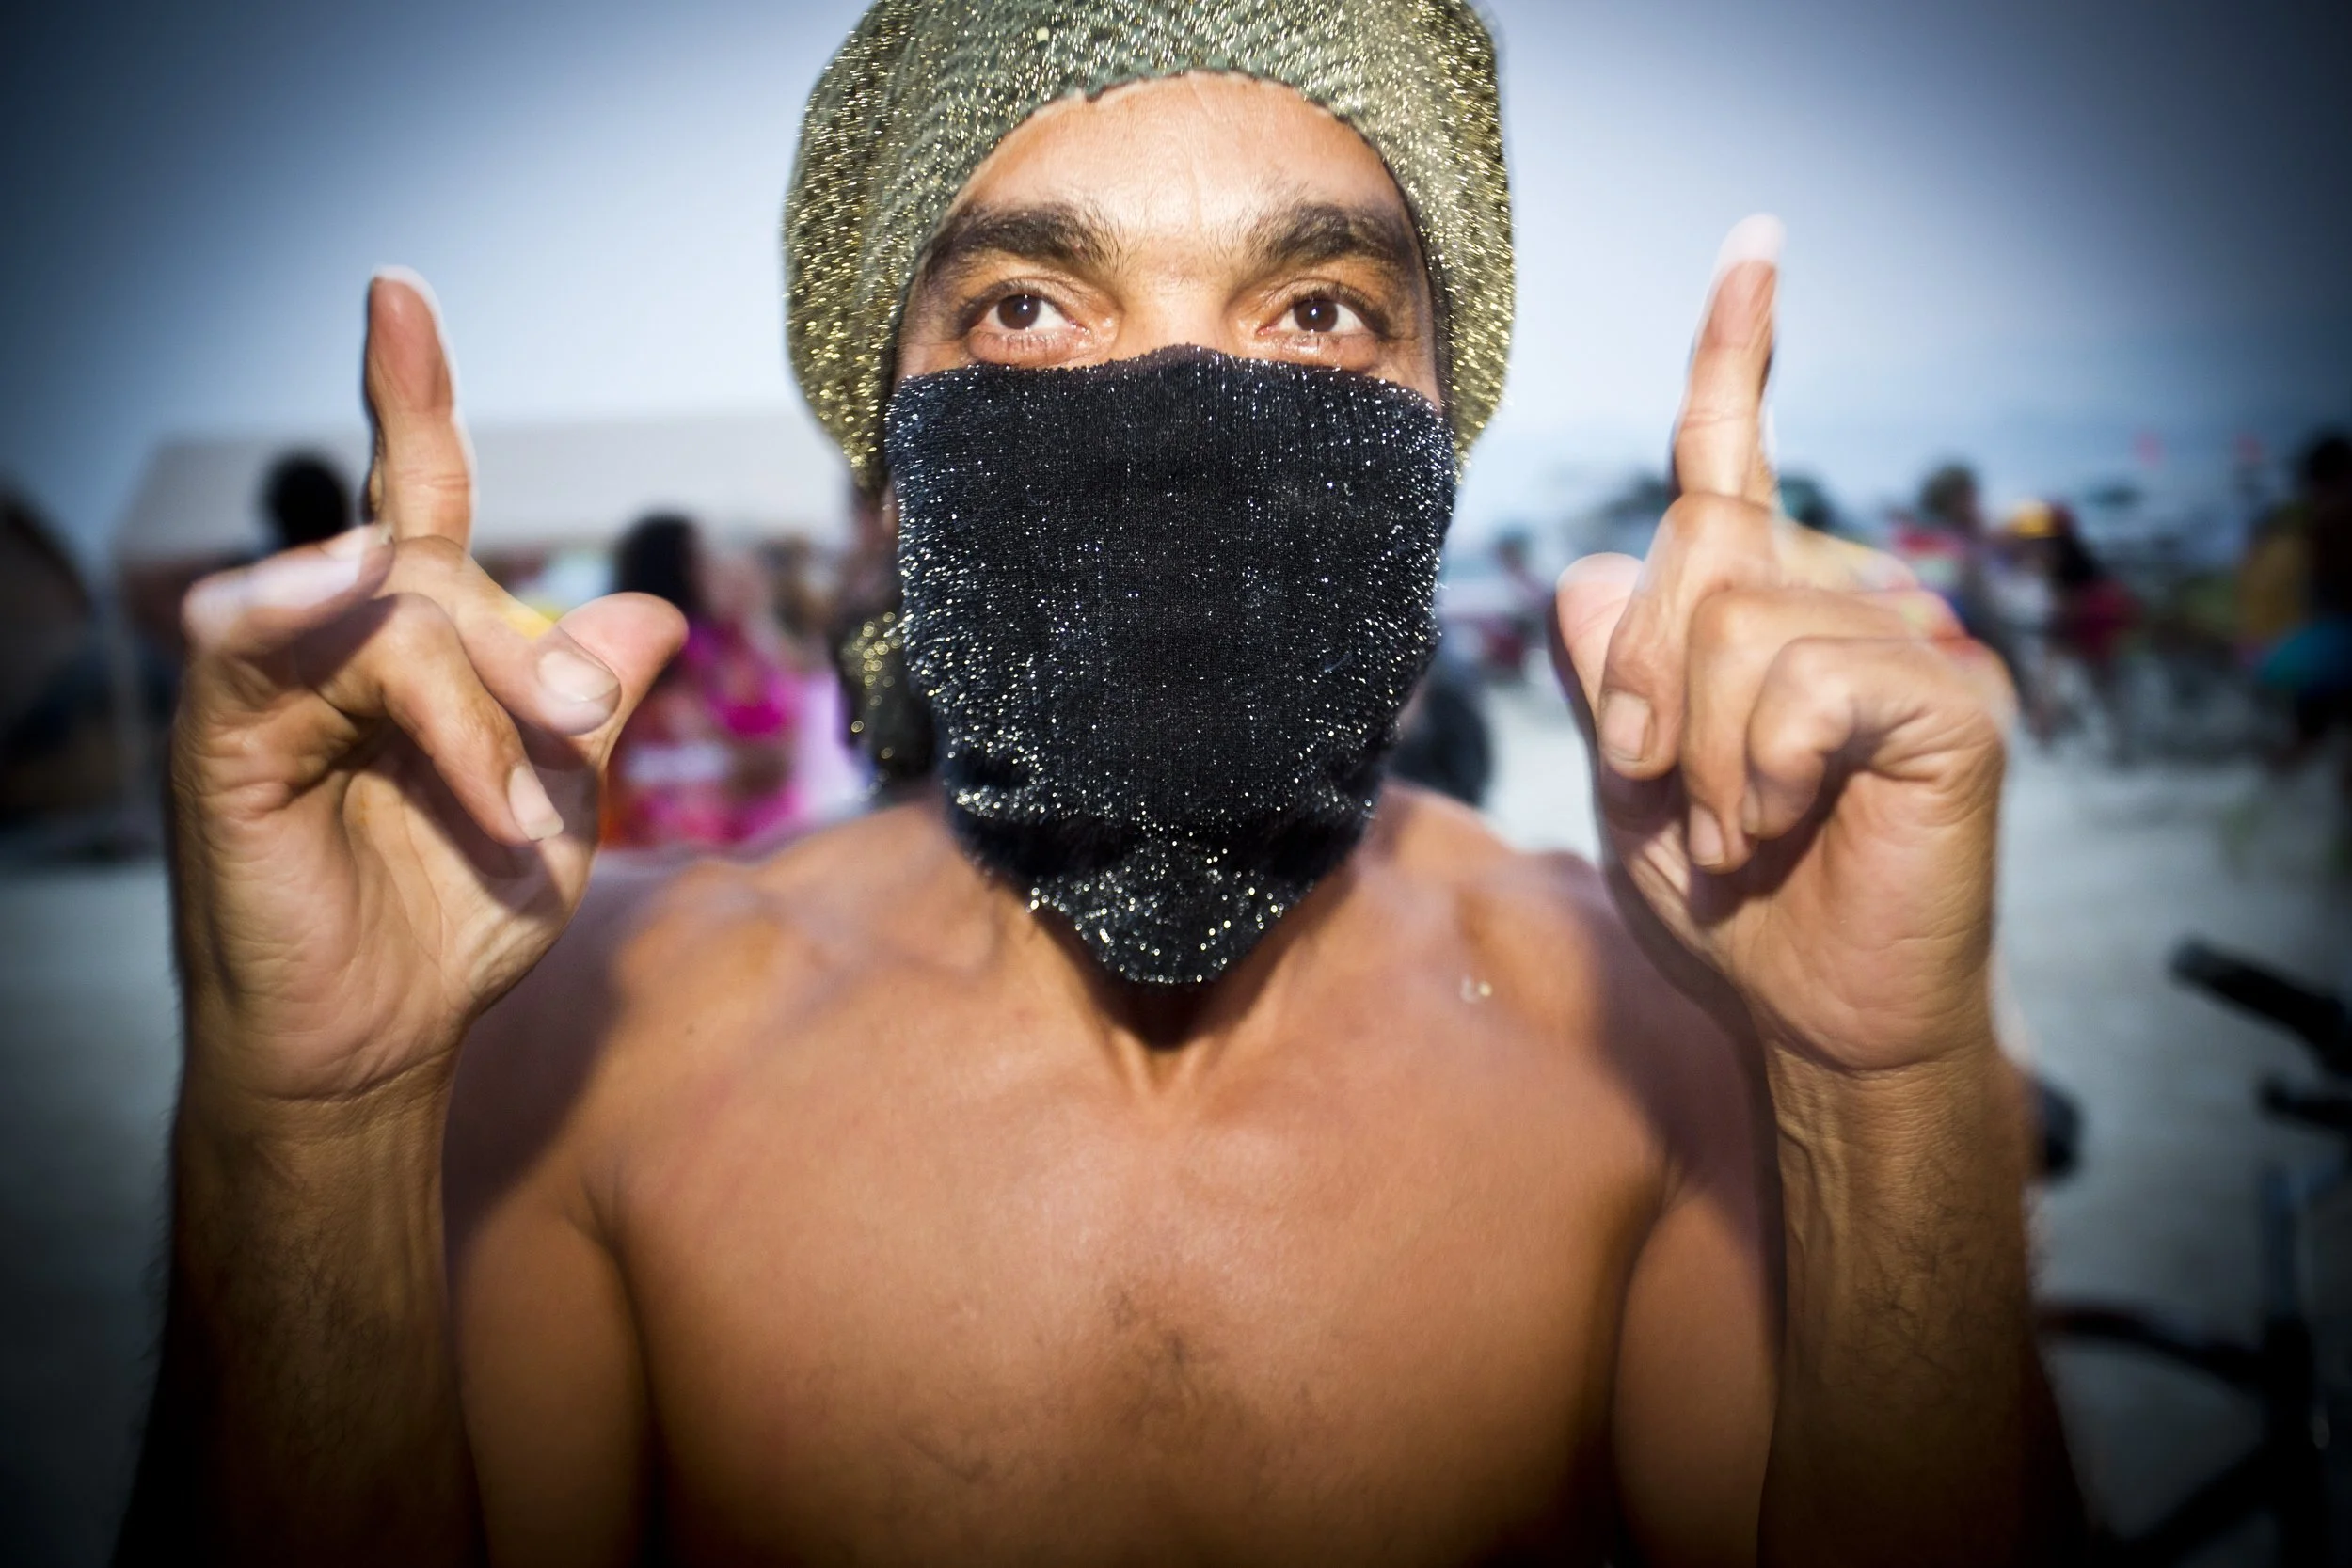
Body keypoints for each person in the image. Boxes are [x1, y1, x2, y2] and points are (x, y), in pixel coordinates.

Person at [123, 5, 2079, 1564]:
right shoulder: (594, 1058)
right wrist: (313, 1128)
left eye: (1313, 310)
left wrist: (1882, 1088)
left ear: (1436, 438)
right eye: (1028, 313)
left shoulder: (1665, 1053)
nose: (1170, 426)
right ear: (883, 462)